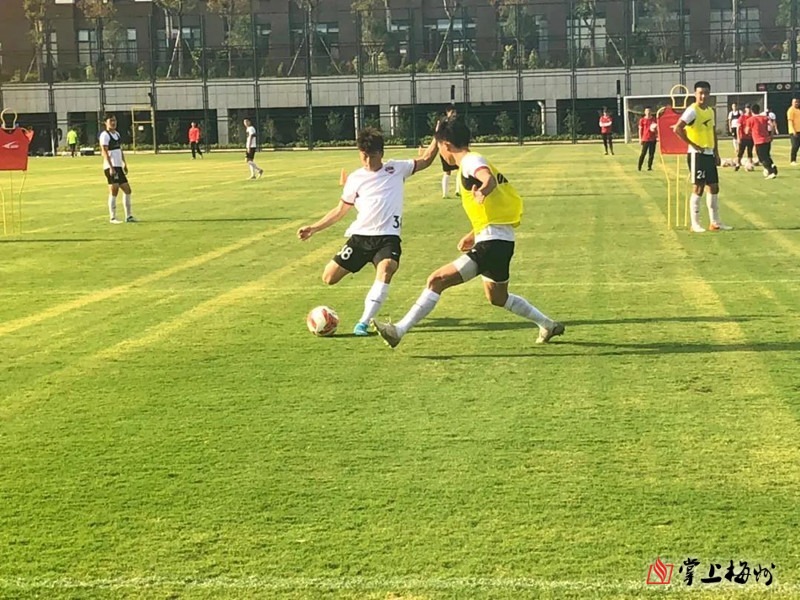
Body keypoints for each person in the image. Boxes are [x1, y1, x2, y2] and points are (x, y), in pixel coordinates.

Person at [372, 117, 564, 349]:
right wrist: (474, 233)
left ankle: (399, 331)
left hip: (492, 243)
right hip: (500, 240)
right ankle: (547, 324)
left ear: (446, 145)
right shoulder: (471, 161)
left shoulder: (470, 161)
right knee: (498, 297)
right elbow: (492, 205)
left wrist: (483, 190)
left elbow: (487, 178)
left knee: (436, 280)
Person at [297, 127, 440, 336]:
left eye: (372, 156)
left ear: (381, 154)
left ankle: (362, 323)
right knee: (329, 277)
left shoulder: (396, 168)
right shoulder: (355, 178)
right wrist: (314, 228)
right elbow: (340, 210)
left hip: (388, 238)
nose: (367, 161)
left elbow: (426, 159)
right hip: (360, 238)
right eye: (363, 156)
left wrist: (438, 136)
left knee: (386, 269)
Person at [673, 81, 732, 233]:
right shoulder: (692, 110)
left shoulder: (710, 111)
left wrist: (716, 152)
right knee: (698, 187)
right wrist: (693, 145)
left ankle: (715, 222)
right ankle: (695, 224)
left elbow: (712, 132)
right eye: (700, 93)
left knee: (714, 187)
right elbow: (677, 128)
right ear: (695, 94)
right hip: (697, 155)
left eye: (706, 93)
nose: (703, 96)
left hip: (709, 153)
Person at [99, 114, 135, 224]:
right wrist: (111, 167)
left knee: (127, 190)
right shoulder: (105, 135)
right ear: (106, 122)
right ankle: (112, 217)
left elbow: (120, 150)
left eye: (114, 120)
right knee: (114, 190)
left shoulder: (117, 134)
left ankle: (129, 216)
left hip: (118, 166)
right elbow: (104, 152)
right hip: (111, 166)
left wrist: (124, 163)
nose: (113, 123)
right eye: (111, 121)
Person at [748, 103, 778, 179]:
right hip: (767, 140)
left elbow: (747, 131)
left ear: (751, 111)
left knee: (762, 158)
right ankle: (773, 166)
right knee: (767, 155)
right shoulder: (765, 118)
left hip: (758, 141)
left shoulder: (751, 119)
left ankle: (771, 172)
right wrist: (771, 135)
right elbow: (772, 125)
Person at [439, 106, 461, 198]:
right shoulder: (444, 122)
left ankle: (458, 190)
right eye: (452, 112)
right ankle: (445, 193)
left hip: (453, 149)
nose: (454, 114)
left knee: (460, 169)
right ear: (447, 112)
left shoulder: (456, 123)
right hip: (447, 149)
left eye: (455, 112)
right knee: (447, 171)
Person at [735, 105, 755, 170]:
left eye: (750, 108)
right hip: (743, 137)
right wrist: (738, 137)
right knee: (741, 151)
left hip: (750, 137)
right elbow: (738, 128)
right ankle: (738, 163)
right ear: (745, 109)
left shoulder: (752, 117)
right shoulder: (742, 117)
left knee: (750, 151)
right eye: (747, 108)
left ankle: (750, 164)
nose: (749, 110)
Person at [637, 107, 657, 171]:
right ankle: (639, 166)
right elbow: (640, 130)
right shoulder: (642, 120)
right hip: (645, 139)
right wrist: (640, 138)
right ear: (645, 112)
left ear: (651, 112)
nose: (648, 112)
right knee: (643, 153)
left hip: (653, 139)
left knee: (651, 154)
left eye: (649, 111)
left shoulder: (654, 119)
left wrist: (655, 131)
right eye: (647, 111)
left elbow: (657, 128)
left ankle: (649, 167)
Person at [788, 98, 800, 165]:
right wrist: (793, 130)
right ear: (792, 103)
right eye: (795, 102)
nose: (797, 103)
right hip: (794, 131)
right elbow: (790, 121)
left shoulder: (798, 110)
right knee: (795, 146)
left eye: (798, 102)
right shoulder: (791, 110)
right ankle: (792, 160)